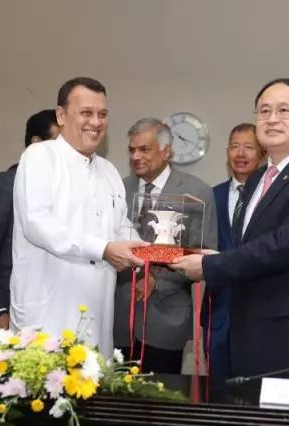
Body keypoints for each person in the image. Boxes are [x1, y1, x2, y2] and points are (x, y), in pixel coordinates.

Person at [173, 78, 289, 379]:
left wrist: (212, 265)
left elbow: (287, 244)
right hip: (247, 331)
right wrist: (214, 256)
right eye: (264, 111)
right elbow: (249, 245)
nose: (272, 119)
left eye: (284, 110)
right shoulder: (257, 178)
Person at [11, 77, 146, 355]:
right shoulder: (39, 157)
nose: (96, 122)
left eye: (102, 114)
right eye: (86, 112)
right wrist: (103, 249)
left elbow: (120, 226)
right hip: (49, 314)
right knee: (47, 381)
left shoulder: (108, 170)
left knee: (96, 378)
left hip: (98, 311)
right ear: (61, 115)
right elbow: (38, 223)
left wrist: (153, 251)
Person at [113, 117, 217, 373]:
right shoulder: (117, 189)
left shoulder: (196, 192)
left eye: (144, 149)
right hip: (119, 319)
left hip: (166, 316)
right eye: (131, 150)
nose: (136, 156)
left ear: (166, 151)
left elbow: (203, 253)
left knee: (161, 392)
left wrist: (156, 280)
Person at [0, 109, 59, 329]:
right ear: (36, 143)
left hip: (48, 306)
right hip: (8, 307)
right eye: (58, 142)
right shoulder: (8, 182)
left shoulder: (62, 186)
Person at [203, 123, 264, 380]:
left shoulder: (271, 195)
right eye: (234, 147)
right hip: (218, 310)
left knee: (255, 386)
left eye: (248, 147)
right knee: (217, 387)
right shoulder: (210, 195)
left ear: (262, 153)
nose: (240, 153)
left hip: (259, 308)